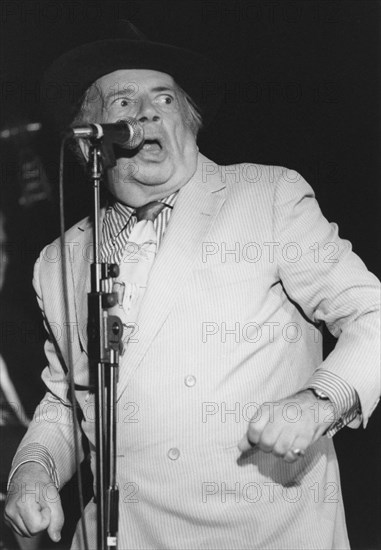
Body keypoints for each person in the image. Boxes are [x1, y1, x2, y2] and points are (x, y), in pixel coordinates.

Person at [4, 22, 380, 550]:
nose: (146, 112)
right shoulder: (58, 260)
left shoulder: (266, 198)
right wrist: (34, 467)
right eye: (123, 100)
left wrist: (320, 401)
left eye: (164, 98)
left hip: (263, 534)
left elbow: (372, 315)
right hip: (121, 536)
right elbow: (67, 399)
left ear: (189, 122)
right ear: (91, 141)